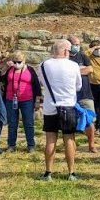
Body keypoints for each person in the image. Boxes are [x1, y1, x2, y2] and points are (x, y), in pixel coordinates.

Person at [37, 39, 82, 181]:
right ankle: (71, 172)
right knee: (69, 139)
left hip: (50, 106)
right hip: (68, 105)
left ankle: (48, 172)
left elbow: (42, 82)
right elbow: (78, 86)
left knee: (50, 139)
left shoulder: (43, 65)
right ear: (65, 51)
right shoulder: (73, 65)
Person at [0, 51, 41, 153]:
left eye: (19, 62)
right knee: (12, 123)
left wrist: (38, 101)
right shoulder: (10, 69)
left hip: (27, 100)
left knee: (28, 123)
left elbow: (36, 86)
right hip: (11, 99)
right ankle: (11, 145)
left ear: (24, 61)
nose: (17, 64)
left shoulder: (30, 70)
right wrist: (5, 67)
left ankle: (31, 145)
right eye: (15, 61)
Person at [67, 35, 97, 153]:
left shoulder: (83, 56)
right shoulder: (64, 58)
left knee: (90, 120)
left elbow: (90, 69)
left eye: (78, 44)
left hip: (85, 94)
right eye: (75, 44)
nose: (77, 46)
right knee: (70, 122)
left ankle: (91, 144)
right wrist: (80, 70)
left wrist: (73, 71)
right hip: (70, 96)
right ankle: (71, 146)